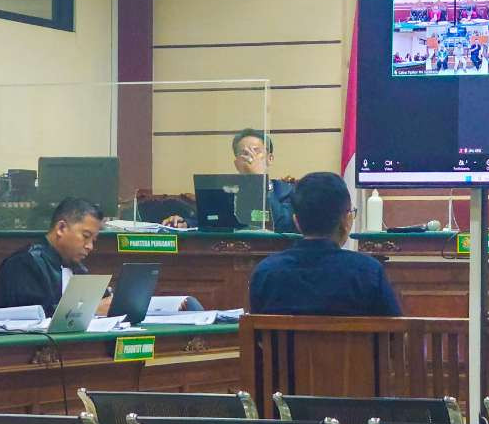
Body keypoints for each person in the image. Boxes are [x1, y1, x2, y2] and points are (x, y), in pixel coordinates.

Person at [249, 172, 401, 316]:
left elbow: (257, 338)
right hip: (346, 345)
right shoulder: (368, 272)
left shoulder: (266, 273)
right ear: (346, 220)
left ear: (297, 222)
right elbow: (396, 334)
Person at [0, 198, 112, 315]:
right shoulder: (22, 263)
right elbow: (28, 317)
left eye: (93, 240)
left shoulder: (78, 268)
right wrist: (89, 310)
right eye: (86, 236)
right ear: (61, 228)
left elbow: (103, 302)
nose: (90, 246)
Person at [162, 128, 296, 233]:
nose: (250, 158)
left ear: (270, 158)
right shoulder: (226, 190)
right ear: (236, 163)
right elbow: (210, 221)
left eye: (256, 152)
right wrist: (185, 223)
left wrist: (258, 179)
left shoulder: (286, 190)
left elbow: (283, 225)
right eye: (244, 153)